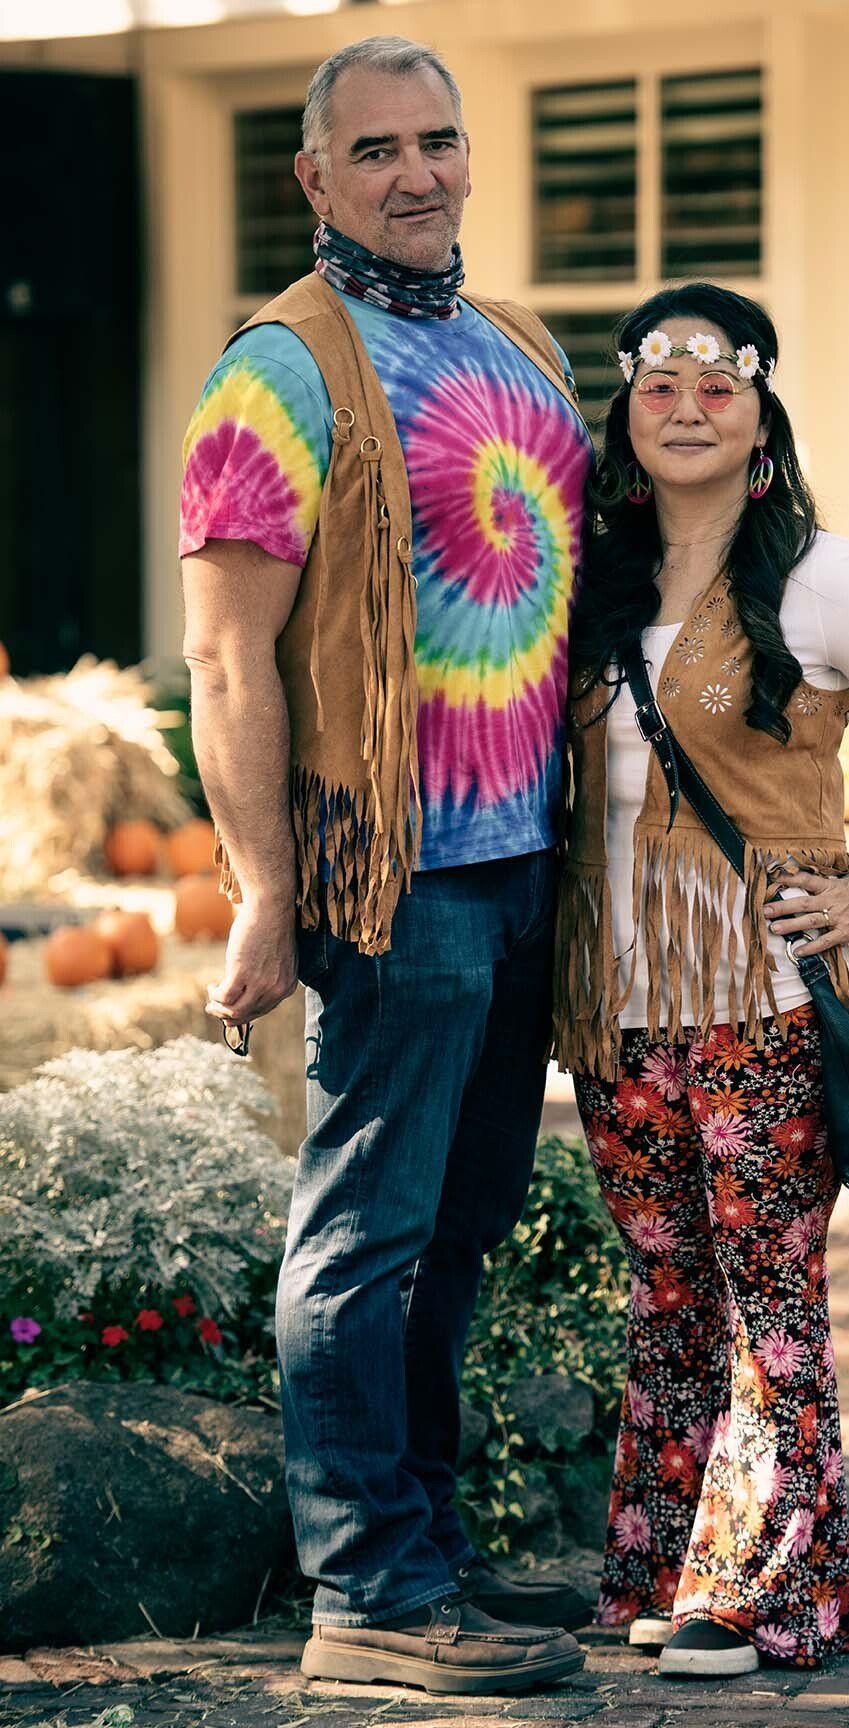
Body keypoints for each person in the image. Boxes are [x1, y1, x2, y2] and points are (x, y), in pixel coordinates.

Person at [179, 36, 592, 1695]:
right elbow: (225, 660)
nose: (415, 172)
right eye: (376, 151)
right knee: (365, 1228)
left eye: (438, 140)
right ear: (315, 178)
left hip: (523, 865)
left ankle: (426, 1559)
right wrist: (266, 888)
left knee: (462, 1221)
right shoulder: (278, 367)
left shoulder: (518, 342)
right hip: (391, 871)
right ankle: (364, 1593)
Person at [553, 283, 849, 1678]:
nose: (687, 406)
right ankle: (661, 1564)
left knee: (767, 1295)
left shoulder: (815, 574)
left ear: (761, 417)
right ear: (625, 416)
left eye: (719, 384)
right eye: (658, 384)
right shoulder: (588, 577)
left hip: (763, 998)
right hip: (615, 1009)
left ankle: (760, 1595)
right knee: (667, 1293)